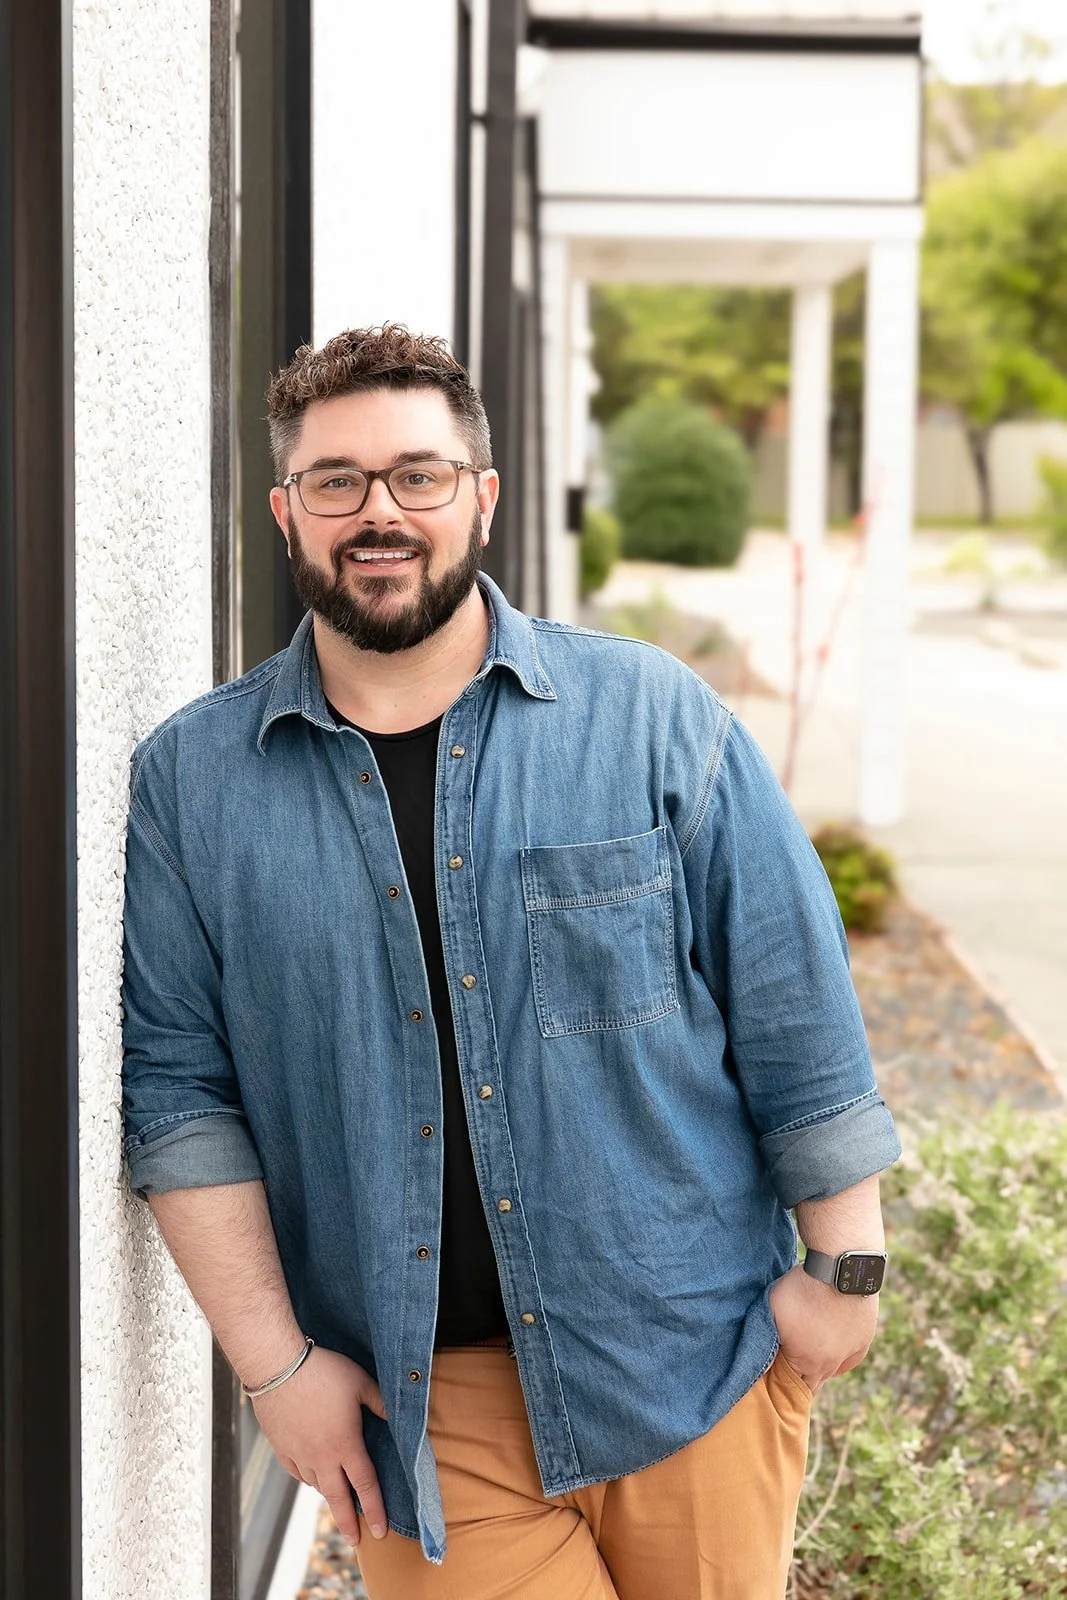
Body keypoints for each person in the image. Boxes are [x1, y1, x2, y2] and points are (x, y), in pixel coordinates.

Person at [121, 324, 901, 1600]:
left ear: (478, 499)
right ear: (286, 512)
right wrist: (274, 1368)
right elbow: (180, 1097)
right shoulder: (194, 786)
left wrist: (843, 1273)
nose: (379, 512)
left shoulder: (651, 717)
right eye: (338, 480)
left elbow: (790, 997)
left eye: (417, 475)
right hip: (424, 1413)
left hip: (689, 1357)